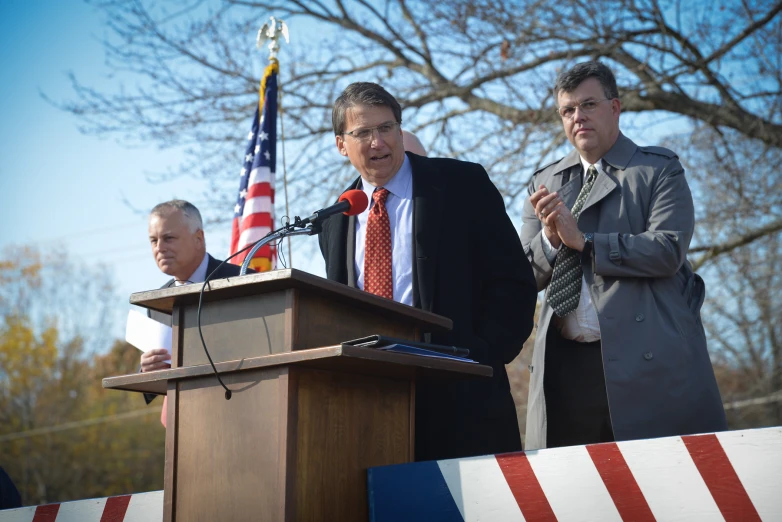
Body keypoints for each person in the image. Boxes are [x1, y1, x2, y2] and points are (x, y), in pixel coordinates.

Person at [319, 82, 538, 461]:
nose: (378, 142)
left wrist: (482, 356)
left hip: (462, 398)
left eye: (387, 128)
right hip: (369, 406)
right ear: (341, 145)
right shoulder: (336, 219)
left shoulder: (462, 185)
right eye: (363, 133)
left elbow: (512, 281)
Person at [520, 61, 727, 450]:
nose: (578, 117)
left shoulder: (659, 169)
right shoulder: (543, 183)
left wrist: (586, 242)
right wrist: (550, 241)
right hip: (564, 370)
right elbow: (523, 275)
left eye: (589, 105)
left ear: (615, 108)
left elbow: (667, 250)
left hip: (645, 366)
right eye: (568, 110)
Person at [139, 200, 248, 412]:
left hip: (243, 409)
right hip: (187, 419)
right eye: (153, 240)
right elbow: (155, 381)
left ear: (199, 238)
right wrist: (147, 370)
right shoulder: (156, 302)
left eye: (168, 238)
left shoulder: (242, 281)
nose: (159, 248)